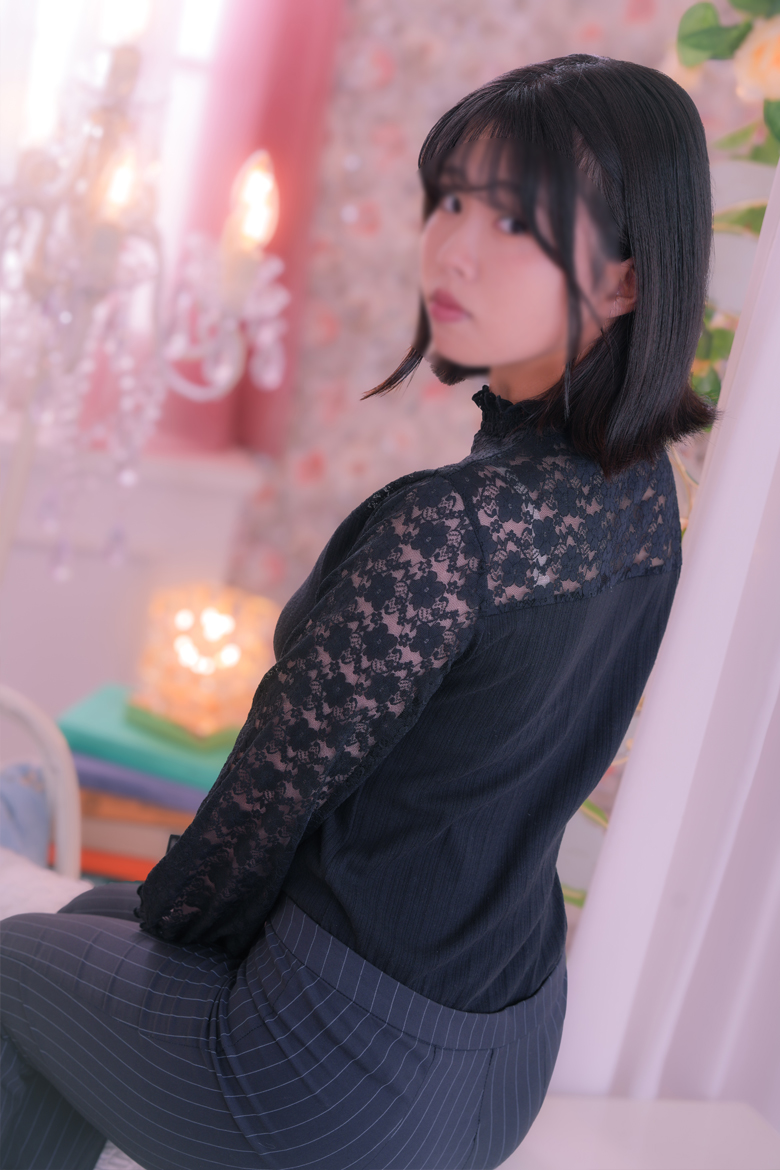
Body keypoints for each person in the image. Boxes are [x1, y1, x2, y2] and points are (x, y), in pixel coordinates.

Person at [1, 54, 714, 1170]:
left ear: (624, 283)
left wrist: (154, 944)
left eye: (515, 222)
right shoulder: (642, 501)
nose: (452, 248)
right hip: (503, 1050)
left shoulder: (453, 531)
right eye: (453, 200)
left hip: (341, 1086)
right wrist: (119, 934)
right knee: (86, 931)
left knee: (14, 972)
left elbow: (252, 824)